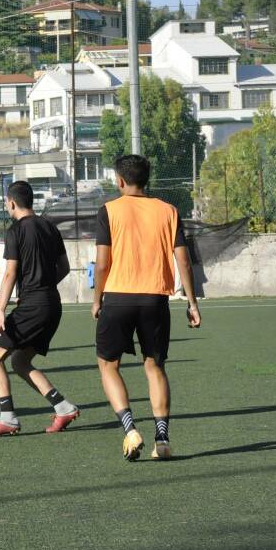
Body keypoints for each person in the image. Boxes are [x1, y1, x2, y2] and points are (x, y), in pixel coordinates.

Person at [93, 155, 201, 461]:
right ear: (147, 179)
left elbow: (102, 263)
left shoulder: (109, 211)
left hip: (118, 296)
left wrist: (97, 299)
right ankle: (162, 440)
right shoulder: (169, 211)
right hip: (155, 299)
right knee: (154, 366)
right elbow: (183, 261)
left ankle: (129, 429)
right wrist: (192, 303)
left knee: (108, 364)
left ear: (120, 180)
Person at [0, 181, 80, 437]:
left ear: (11, 202)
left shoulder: (16, 231)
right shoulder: (49, 227)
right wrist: (43, 286)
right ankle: (64, 407)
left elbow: (11, 272)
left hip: (33, 306)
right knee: (20, 361)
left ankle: (8, 418)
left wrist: (1, 308)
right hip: (52, 304)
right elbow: (65, 268)